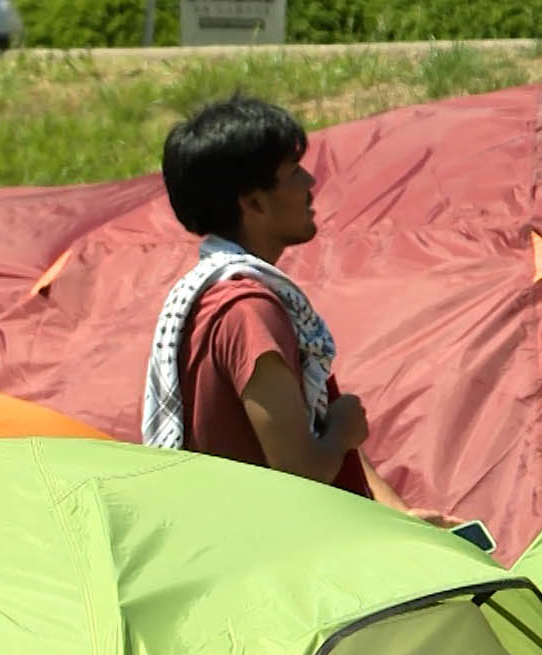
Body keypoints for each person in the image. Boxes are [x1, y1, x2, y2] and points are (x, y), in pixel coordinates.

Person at [141, 94, 456, 525]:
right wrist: (343, 427)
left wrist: (401, 517)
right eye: (292, 174)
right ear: (253, 203)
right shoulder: (247, 310)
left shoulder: (227, 297)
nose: (310, 181)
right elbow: (300, 469)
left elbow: (309, 427)